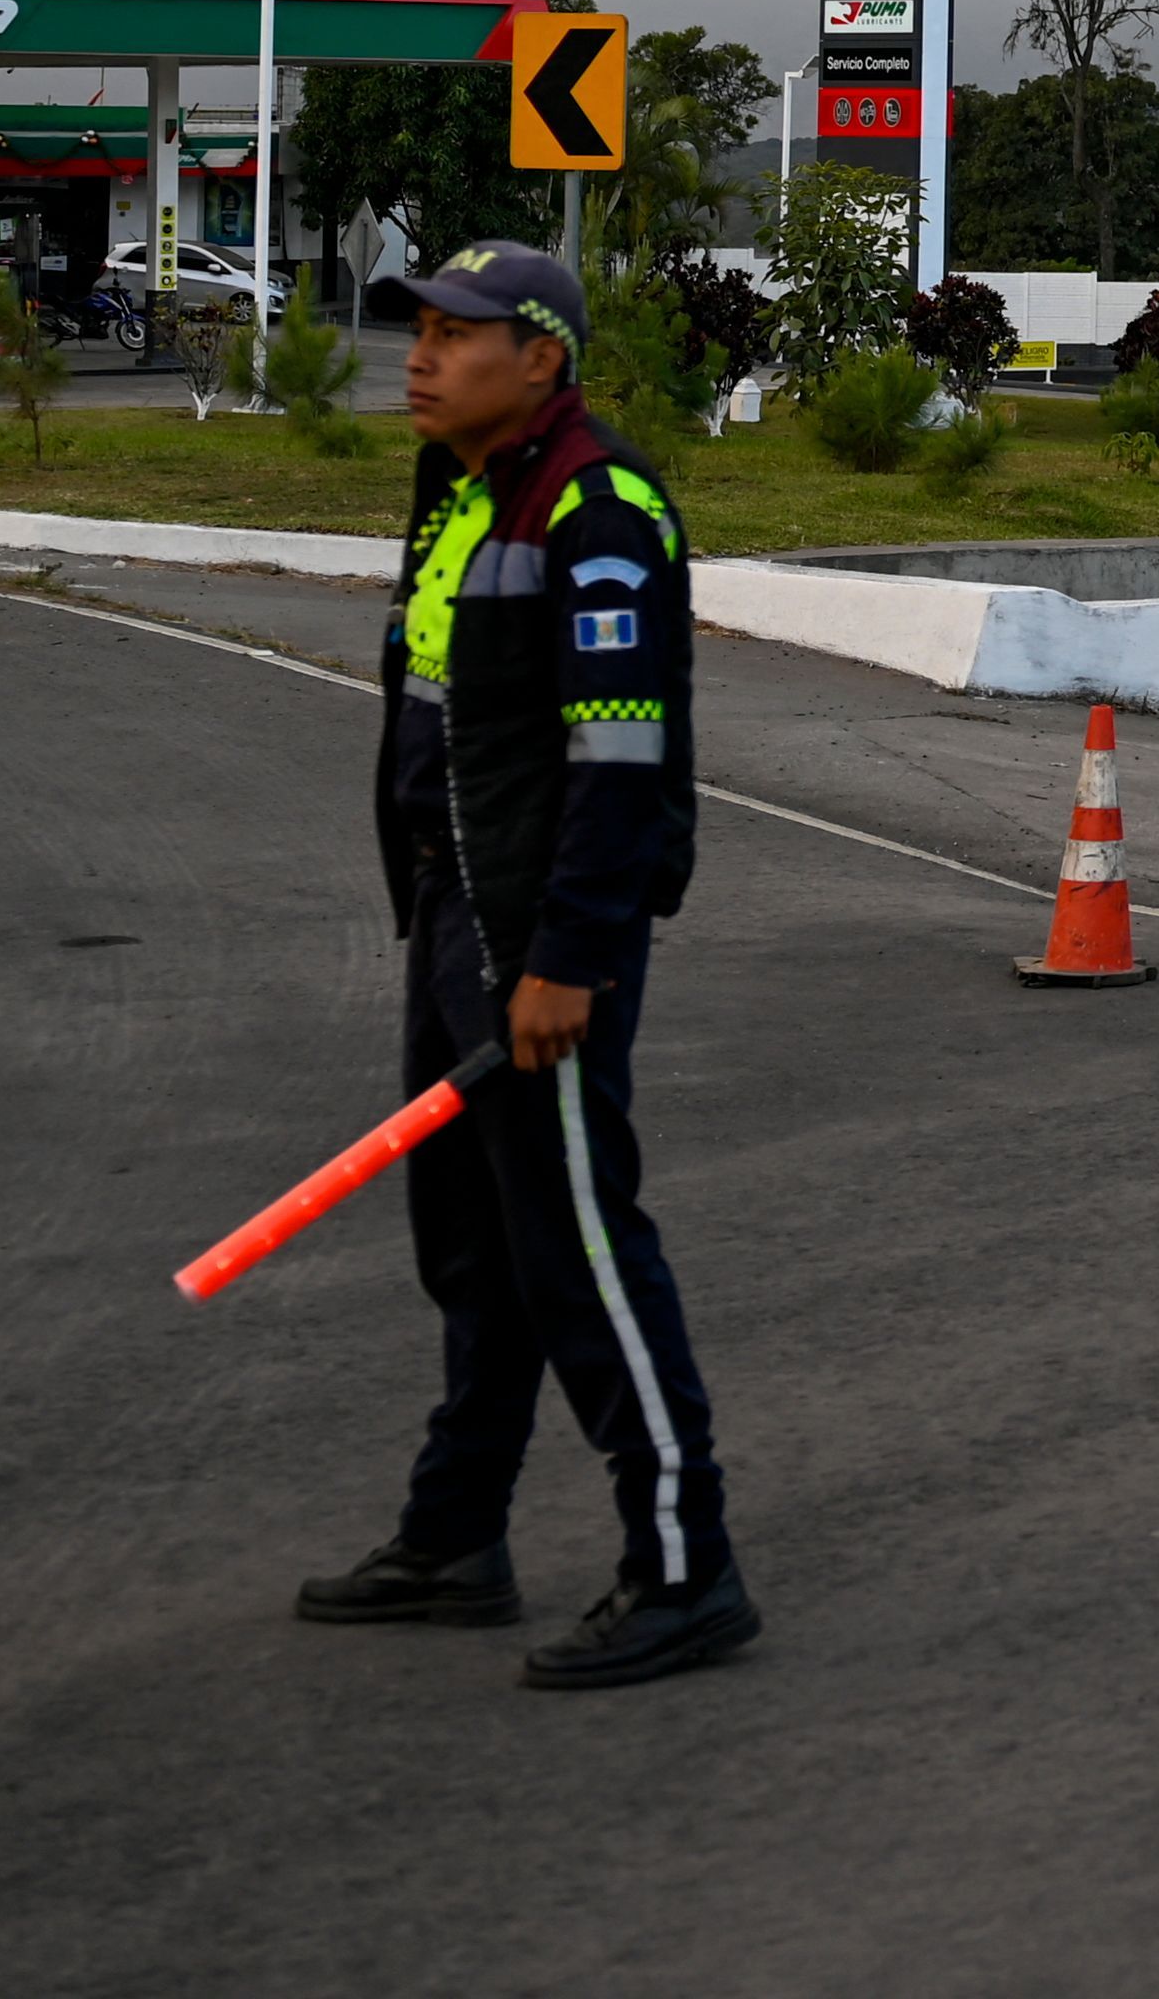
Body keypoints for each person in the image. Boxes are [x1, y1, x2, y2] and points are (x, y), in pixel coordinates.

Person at [289, 240, 756, 1687]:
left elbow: (621, 769)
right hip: (454, 921)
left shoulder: (595, 510)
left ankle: (686, 1569)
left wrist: (568, 959)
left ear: (542, 358)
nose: (421, 357)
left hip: (534, 947)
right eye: (417, 330)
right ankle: (455, 1538)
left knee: (581, 1251)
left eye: (456, 335)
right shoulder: (468, 491)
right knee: (473, 1246)